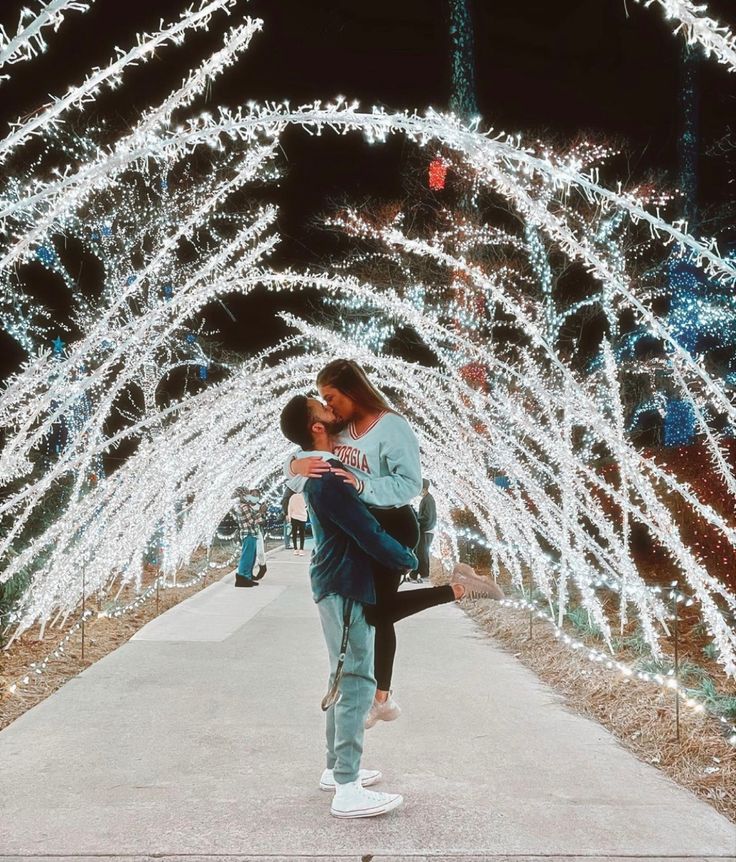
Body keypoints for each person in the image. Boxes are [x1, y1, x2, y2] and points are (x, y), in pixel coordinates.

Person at [284, 359, 504, 730]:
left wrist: (362, 486)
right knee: (375, 612)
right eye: (323, 399)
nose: (329, 405)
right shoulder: (340, 429)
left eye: (331, 396)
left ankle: (460, 590)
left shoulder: (392, 427)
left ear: (352, 391)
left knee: (378, 611)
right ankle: (382, 698)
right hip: (364, 526)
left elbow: (409, 485)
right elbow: (305, 449)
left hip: (393, 524)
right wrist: (294, 468)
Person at [280, 394, 417, 818]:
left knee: (343, 675)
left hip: (336, 580)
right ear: (315, 427)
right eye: (322, 408)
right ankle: (347, 787)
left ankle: (335, 769)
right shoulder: (328, 476)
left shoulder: (321, 468)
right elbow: (367, 531)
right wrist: (408, 559)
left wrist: (292, 465)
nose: (331, 410)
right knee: (357, 676)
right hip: (344, 582)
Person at [234, 488, 267, 588]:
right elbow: (251, 521)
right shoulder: (244, 507)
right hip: (248, 533)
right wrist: (261, 513)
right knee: (247, 557)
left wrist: (260, 514)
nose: (250, 496)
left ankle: (248, 577)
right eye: (247, 494)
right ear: (242, 496)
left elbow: (255, 519)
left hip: (252, 533)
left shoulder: (245, 506)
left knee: (251, 557)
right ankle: (242, 578)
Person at [415, 479, 436, 582]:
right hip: (426, 530)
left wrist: (417, 520)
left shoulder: (428, 500)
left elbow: (428, 517)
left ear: (424, 489)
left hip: (426, 530)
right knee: (421, 553)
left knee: (423, 553)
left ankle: (424, 575)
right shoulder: (426, 499)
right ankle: (419, 574)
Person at [288, 491, 308, 556]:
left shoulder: (292, 497)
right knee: (302, 534)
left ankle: (295, 549)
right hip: (303, 517)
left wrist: (289, 517)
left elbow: (290, 508)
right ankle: (301, 549)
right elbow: (307, 505)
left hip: (294, 517)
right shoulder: (304, 496)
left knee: (294, 533)